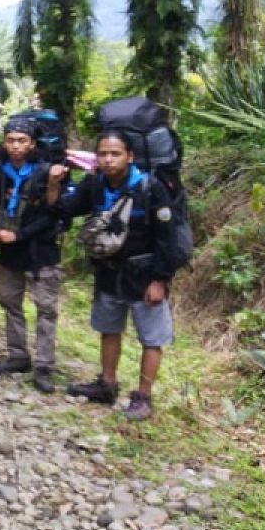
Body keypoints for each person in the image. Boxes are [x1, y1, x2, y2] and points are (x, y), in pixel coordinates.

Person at [47, 130, 177, 421]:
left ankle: (143, 396)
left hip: (144, 276)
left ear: (129, 156)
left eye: (115, 153)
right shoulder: (95, 184)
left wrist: (160, 280)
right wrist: (54, 184)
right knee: (109, 328)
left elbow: (167, 239)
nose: (107, 159)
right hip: (108, 272)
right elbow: (65, 209)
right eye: (103, 153)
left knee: (151, 338)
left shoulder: (150, 188)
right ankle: (107, 384)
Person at [0, 116, 66, 393]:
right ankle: (18, 355)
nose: (15, 146)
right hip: (9, 252)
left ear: (33, 143)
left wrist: (19, 234)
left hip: (42, 251)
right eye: (11, 140)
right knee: (9, 301)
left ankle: (44, 365)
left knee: (45, 309)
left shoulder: (47, 172)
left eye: (22, 141)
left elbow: (55, 215)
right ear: (4, 142)